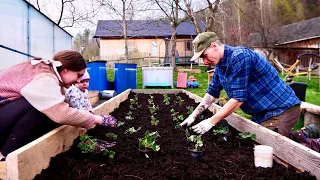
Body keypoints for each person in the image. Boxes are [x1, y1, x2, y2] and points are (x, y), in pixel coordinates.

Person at [0, 50, 116, 161]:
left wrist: (83, 114)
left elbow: (62, 103)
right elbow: (61, 113)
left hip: (5, 113)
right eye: (78, 75)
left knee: (47, 112)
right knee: (40, 111)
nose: (78, 80)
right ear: (66, 70)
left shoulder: (49, 72)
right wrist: (97, 119)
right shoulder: (44, 77)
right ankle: (4, 155)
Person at [180, 32, 301, 137]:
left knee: (269, 151)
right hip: (262, 114)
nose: (205, 62)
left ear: (214, 46)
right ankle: (305, 133)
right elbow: (212, 92)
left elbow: (238, 99)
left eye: (204, 56)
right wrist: (194, 115)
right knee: (251, 141)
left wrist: (211, 122)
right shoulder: (220, 67)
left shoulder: (240, 57)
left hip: (281, 110)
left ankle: (313, 142)